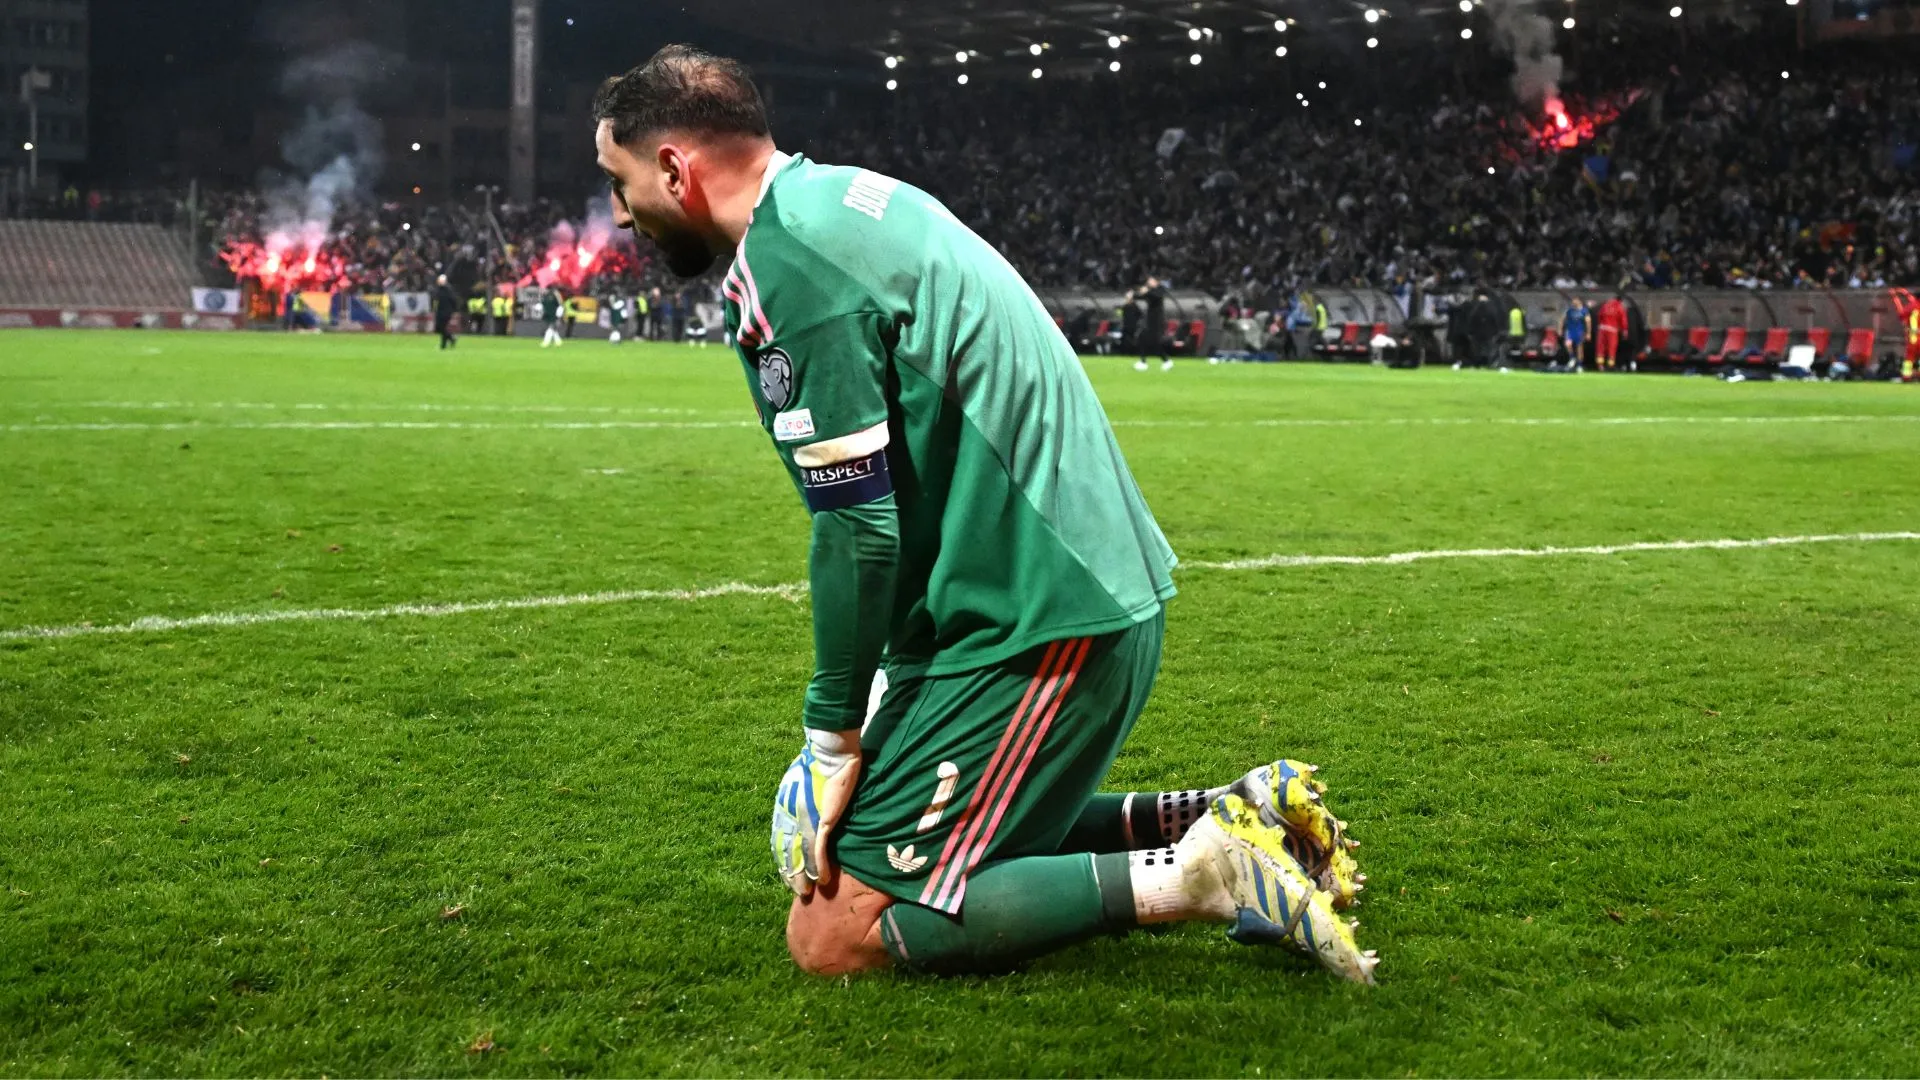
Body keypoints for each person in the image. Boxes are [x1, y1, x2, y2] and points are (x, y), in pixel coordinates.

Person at [592, 43, 1373, 982]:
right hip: (1064, 591)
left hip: (1035, 620)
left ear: (674, 167)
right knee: (885, 829)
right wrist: (882, 697)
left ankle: (1207, 876)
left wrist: (830, 737)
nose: (620, 212)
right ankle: (1222, 814)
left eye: (619, 182)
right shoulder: (849, 197)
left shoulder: (788, 261)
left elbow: (858, 528)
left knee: (834, 933)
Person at [1130, 277, 1172, 372]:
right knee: (1143, 338)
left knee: (1154, 342)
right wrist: (1134, 295)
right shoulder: (1151, 291)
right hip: (1150, 321)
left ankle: (1164, 361)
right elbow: (1142, 296)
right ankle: (1144, 362)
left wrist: (1145, 292)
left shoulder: (1160, 289)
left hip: (1157, 322)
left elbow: (1154, 296)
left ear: (1156, 282)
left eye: (1151, 281)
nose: (1148, 282)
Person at [1595, 295, 1628, 372]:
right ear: (1620, 301)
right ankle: (1610, 366)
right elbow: (1623, 319)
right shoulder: (1619, 306)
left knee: (1600, 348)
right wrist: (1624, 330)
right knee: (1612, 348)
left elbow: (1599, 315)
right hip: (1612, 330)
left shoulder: (1605, 305)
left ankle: (1600, 366)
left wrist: (1600, 325)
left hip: (1602, 329)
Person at [1561, 297, 1591, 372]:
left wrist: (1588, 333)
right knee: (1567, 344)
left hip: (1579, 331)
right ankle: (1572, 357)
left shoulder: (1584, 311)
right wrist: (1560, 329)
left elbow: (1588, 322)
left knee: (1579, 348)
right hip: (1570, 331)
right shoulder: (1569, 311)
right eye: (1573, 301)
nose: (1573, 302)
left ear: (1579, 301)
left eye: (1575, 301)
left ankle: (1579, 365)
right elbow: (1562, 319)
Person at [432, 274, 459, 350]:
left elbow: (453, 300)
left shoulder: (448, 290)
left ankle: (445, 343)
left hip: (446, 312)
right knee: (441, 328)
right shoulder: (439, 289)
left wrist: (454, 310)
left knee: (442, 328)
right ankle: (450, 339)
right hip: (440, 311)